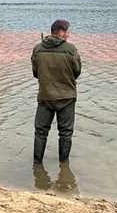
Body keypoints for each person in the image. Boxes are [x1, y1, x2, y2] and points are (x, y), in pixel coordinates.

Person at [31, 19, 82, 164]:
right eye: (67, 31)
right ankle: (64, 166)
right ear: (61, 31)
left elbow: (35, 73)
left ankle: (37, 164)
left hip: (45, 96)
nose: (69, 35)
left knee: (40, 132)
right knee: (65, 133)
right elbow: (77, 71)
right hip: (66, 97)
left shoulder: (37, 48)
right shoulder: (71, 49)